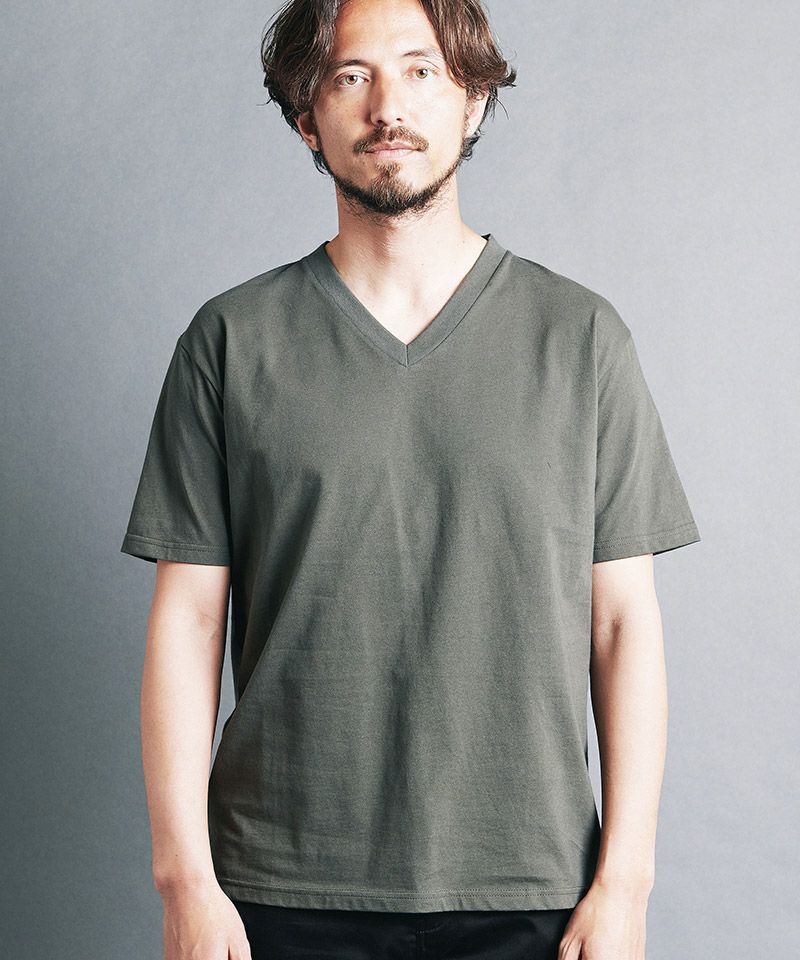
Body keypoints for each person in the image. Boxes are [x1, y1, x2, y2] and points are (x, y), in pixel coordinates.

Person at [120, 0, 701, 957]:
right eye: (350, 76)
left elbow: (622, 624)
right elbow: (187, 620)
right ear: (307, 119)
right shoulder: (230, 343)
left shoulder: (581, 339)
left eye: (422, 69)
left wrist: (626, 883)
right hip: (278, 888)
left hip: (535, 888)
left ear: (473, 101)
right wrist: (183, 881)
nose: (388, 105)